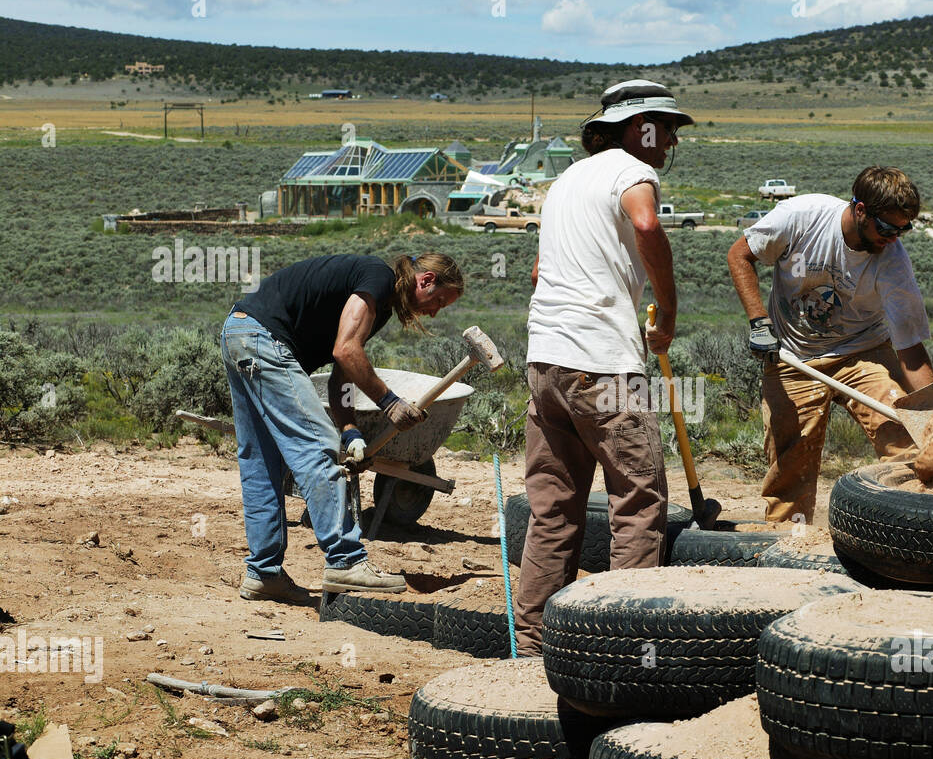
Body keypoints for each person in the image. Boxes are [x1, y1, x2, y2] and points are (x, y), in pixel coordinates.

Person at [514, 79, 691, 657]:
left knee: (553, 508)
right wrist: (665, 307)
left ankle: (533, 644)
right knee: (637, 503)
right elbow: (646, 226)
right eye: (664, 129)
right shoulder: (630, 172)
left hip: (546, 361)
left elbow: (541, 272)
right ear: (639, 127)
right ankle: (620, 644)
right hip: (602, 365)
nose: (667, 141)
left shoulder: (565, 180)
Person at [221, 252, 464, 603]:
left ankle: (264, 572)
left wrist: (350, 431)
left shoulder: (376, 299)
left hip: (240, 332)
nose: (435, 311)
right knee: (317, 443)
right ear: (425, 280)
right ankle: (345, 559)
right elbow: (346, 350)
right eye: (438, 300)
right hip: (264, 340)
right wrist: (390, 402)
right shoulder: (378, 278)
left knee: (261, 461)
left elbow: (342, 376)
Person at [728, 165, 933, 523]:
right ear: (859, 210)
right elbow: (739, 255)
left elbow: (912, 353)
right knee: (790, 465)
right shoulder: (801, 218)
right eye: (886, 228)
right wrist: (759, 323)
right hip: (795, 357)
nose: (893, 238)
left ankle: (914, 528)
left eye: (903, 229)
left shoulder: (893, 262)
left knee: (904, 436)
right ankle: (788, 544)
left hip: (863, 351)